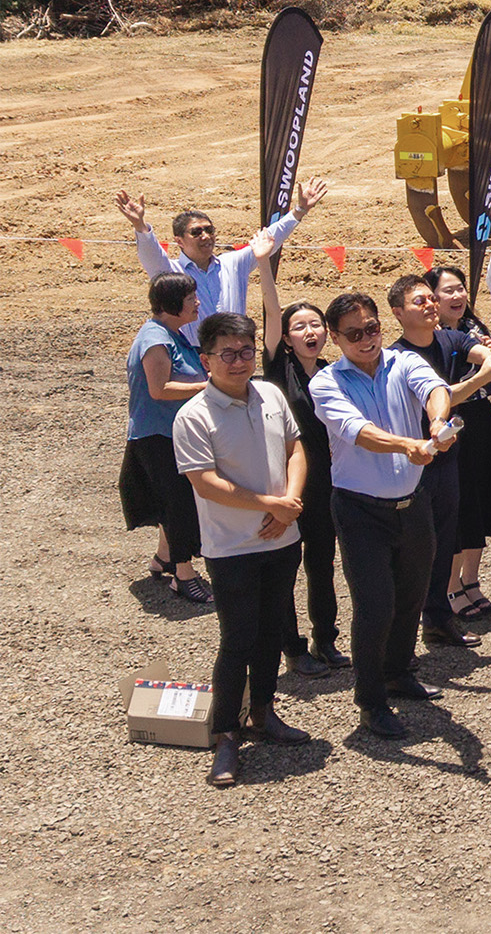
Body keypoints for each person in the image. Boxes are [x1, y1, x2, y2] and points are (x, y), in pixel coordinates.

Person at [307, 291, 465, 741]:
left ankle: (398, 671)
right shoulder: (326, 383)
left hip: (411, 504)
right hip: (360, 510)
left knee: (411, 595)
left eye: (372, 328)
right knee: (375, 606)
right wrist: (408, 444)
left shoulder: (402, 362)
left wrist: (436, 422)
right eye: (354, 334)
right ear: (335, 339)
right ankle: (371, 700)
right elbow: (359, 432)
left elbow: (434, 389)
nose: (366, 339)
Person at [176, 311, 312, 786]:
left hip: (283, 537)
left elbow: (296, 448)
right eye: (227, 354)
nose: (239, 362)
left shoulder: (272, 394)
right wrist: (272, 504)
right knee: (237, 639)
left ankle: (264, 712)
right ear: (205, 358)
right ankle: (226, 734)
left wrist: (291, 504)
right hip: (231, 546)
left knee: (272, 629)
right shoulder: (193, 416)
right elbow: (207, 484)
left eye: (246, 351)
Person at [385, 276, 491, 649]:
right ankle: (401, 632)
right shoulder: (396, 357)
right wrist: (483, 377)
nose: (430, 305)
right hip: (414, 462)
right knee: (416, 549)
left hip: (447, 457)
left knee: (446, 540)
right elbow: (439, 396)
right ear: (398, 313)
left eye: (429, 299)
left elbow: (483, 354)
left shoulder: (450, 339)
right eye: (419, 301)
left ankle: (438, 620)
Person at [259, 275, 345, 676]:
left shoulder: (331, 372)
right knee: (286, 567)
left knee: (323, 563)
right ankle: (291, 649)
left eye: (316, 325)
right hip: (288, 482)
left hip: (327, 482)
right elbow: (272, 314)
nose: (310, 332)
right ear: (287, 338)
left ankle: (325, 640)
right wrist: (264, 263)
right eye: (300, 327)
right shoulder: (279, 368)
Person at [117, 181, 325, 337]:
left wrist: (299, 211)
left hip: (237, 352)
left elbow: (269, 238)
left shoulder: (233, 263)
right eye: (196, 232)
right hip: (195, 356)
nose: (206, 236)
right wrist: (140, 226)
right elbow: (150, 254)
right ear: (179, 241)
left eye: (209, 230)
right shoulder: (171, 274)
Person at [422, 261, 491, 615]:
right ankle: (449, 585)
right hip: (448, 423)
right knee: (454, 506)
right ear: (432, 298)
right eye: (448, 290)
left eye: (460, 288)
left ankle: (471, 580)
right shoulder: (431, 338)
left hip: (482, 420)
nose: (457, 295)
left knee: (480, 500)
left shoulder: (474, 328)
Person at [124, 272, 213, 604]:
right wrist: (209, 387)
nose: (197, 303)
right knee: (178, 504)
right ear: (173, 304)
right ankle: (183, 574)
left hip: (171, 434)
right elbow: (159, 389)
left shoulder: (171, 334)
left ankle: (163, 557)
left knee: (171, 501)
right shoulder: (155, 339)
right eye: (191, 299)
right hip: (158, 436)